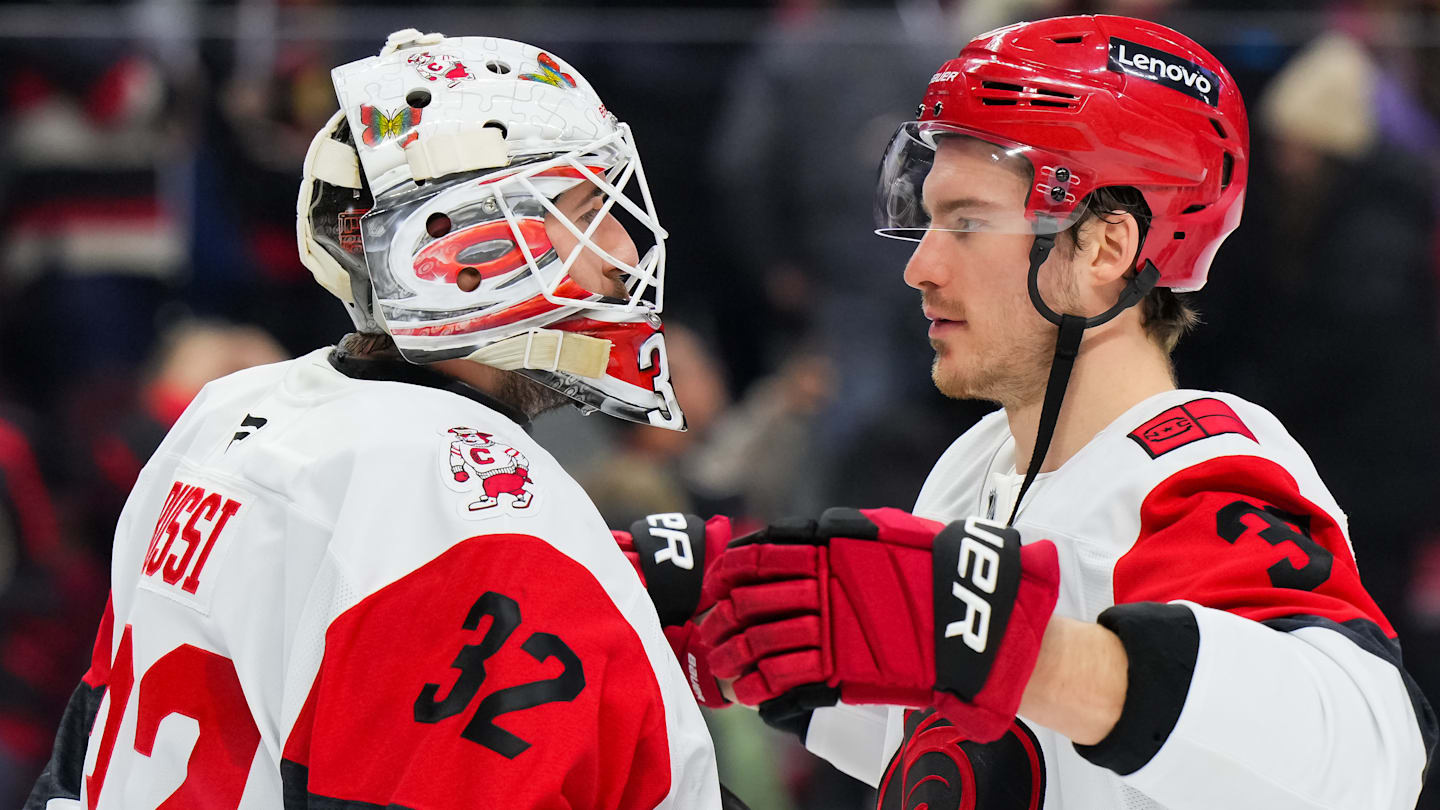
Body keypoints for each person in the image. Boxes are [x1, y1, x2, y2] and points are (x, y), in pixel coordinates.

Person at [690, 14, 1436, 809]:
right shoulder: (981, 458)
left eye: (969, 223)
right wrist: (736, 630)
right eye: (931, 218)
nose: (919, 266)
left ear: (1106, 249)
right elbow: (973, 757)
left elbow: (1376, 758)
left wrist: (1034, 659)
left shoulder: (1200, 471)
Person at [25, 29, 721, 809]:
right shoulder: (469, 515)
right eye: (593, 207)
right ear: (472, 247)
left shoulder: (228, 410)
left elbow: (71, 774)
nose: (624, 249)